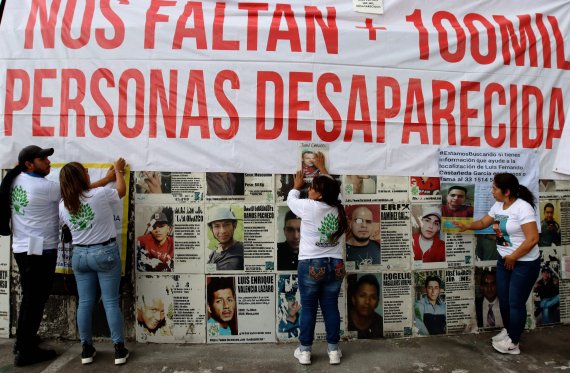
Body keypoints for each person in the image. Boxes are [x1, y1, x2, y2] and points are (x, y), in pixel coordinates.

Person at [0, 145, 113, 366]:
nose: (49, 162)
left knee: (30, 298)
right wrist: (109, 177)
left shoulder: (15, 179)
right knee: (36, 299)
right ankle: (26, 351)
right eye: (43, 160)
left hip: (23, 248)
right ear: (29, 164)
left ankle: (24, 340)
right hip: (40, 252)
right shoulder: (44, 188)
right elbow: (80, 191)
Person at [454, 173, 540, 355]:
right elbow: (485, 221)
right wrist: (467, 226)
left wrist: (514, 256)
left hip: (524, 263)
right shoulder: (499, 205)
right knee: (505, 300)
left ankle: (514, 342)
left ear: (506, 191)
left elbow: (533, 238)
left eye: (494, 188)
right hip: (505, 261)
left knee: (516, 303)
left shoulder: (522, 208)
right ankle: (509, 332)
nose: (491, 191)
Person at [58, 159, 130, 365]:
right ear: (82, 177)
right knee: (110, 302)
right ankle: (119, 349)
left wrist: (105, 178)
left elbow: (83, 192)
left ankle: (86, 349)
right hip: (104, 253)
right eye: (85, 171)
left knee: (85, 303)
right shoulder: (100, 194)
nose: (88, 172)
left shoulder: (64, 204)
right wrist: (118, 172)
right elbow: (121, 190)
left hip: (80, 256)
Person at [287, 151, 348, 365]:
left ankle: (304, 352)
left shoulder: (309, 207)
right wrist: (322, 169)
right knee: (331, 306)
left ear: (320, 194)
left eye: (312, 188)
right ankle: (333, 352)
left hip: (312, 264)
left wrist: (296, 185)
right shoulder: (338, 206)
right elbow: (334, 190)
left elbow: (291, 199)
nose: (309, 190)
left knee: (309, 307)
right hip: (336, 264)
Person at [348, 275, 383, 339]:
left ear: (377, 302)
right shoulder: (343, 320)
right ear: (353, 299)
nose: (367, 301)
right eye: (362, 296)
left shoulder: (381, 324)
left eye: (373, 297)